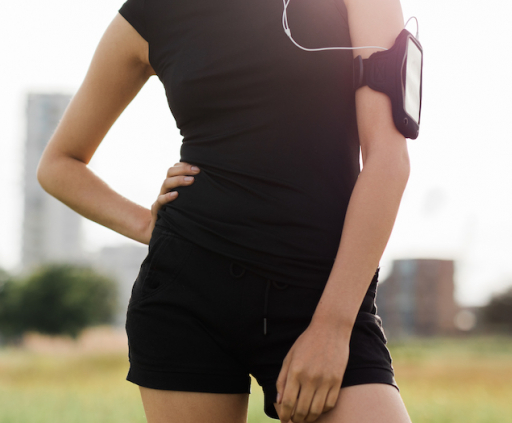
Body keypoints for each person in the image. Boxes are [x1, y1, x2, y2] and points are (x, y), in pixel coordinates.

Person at [36, 0, 413, 421]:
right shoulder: (153, 11)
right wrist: (147, 224)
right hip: (188, 294)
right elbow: (59, 164)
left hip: (318, 292)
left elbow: (388, 161)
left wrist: (333, 326)